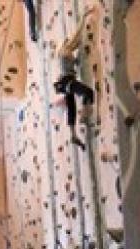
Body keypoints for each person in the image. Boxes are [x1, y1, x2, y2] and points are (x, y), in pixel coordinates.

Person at [53, 6, 96, 151]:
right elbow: (77, 35)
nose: (69, 41)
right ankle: (85, 114)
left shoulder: (65, 52)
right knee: (88, 92)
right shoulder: (64, 51)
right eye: (66, 41)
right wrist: (84, 17)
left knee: (71, 108)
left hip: (64, 84)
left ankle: (73, 134)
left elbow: (78, 40)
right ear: (64, 45)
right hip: (67, 82)